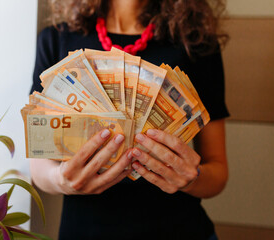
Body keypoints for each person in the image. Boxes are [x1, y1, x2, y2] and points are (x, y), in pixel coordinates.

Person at [30, 0, 229, 239]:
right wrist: (61, 180)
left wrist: (190, 180)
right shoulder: (55, 40)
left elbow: (217, 171)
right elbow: (39, 164)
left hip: (180, 229)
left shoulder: (196, 43)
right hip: (85, 231)